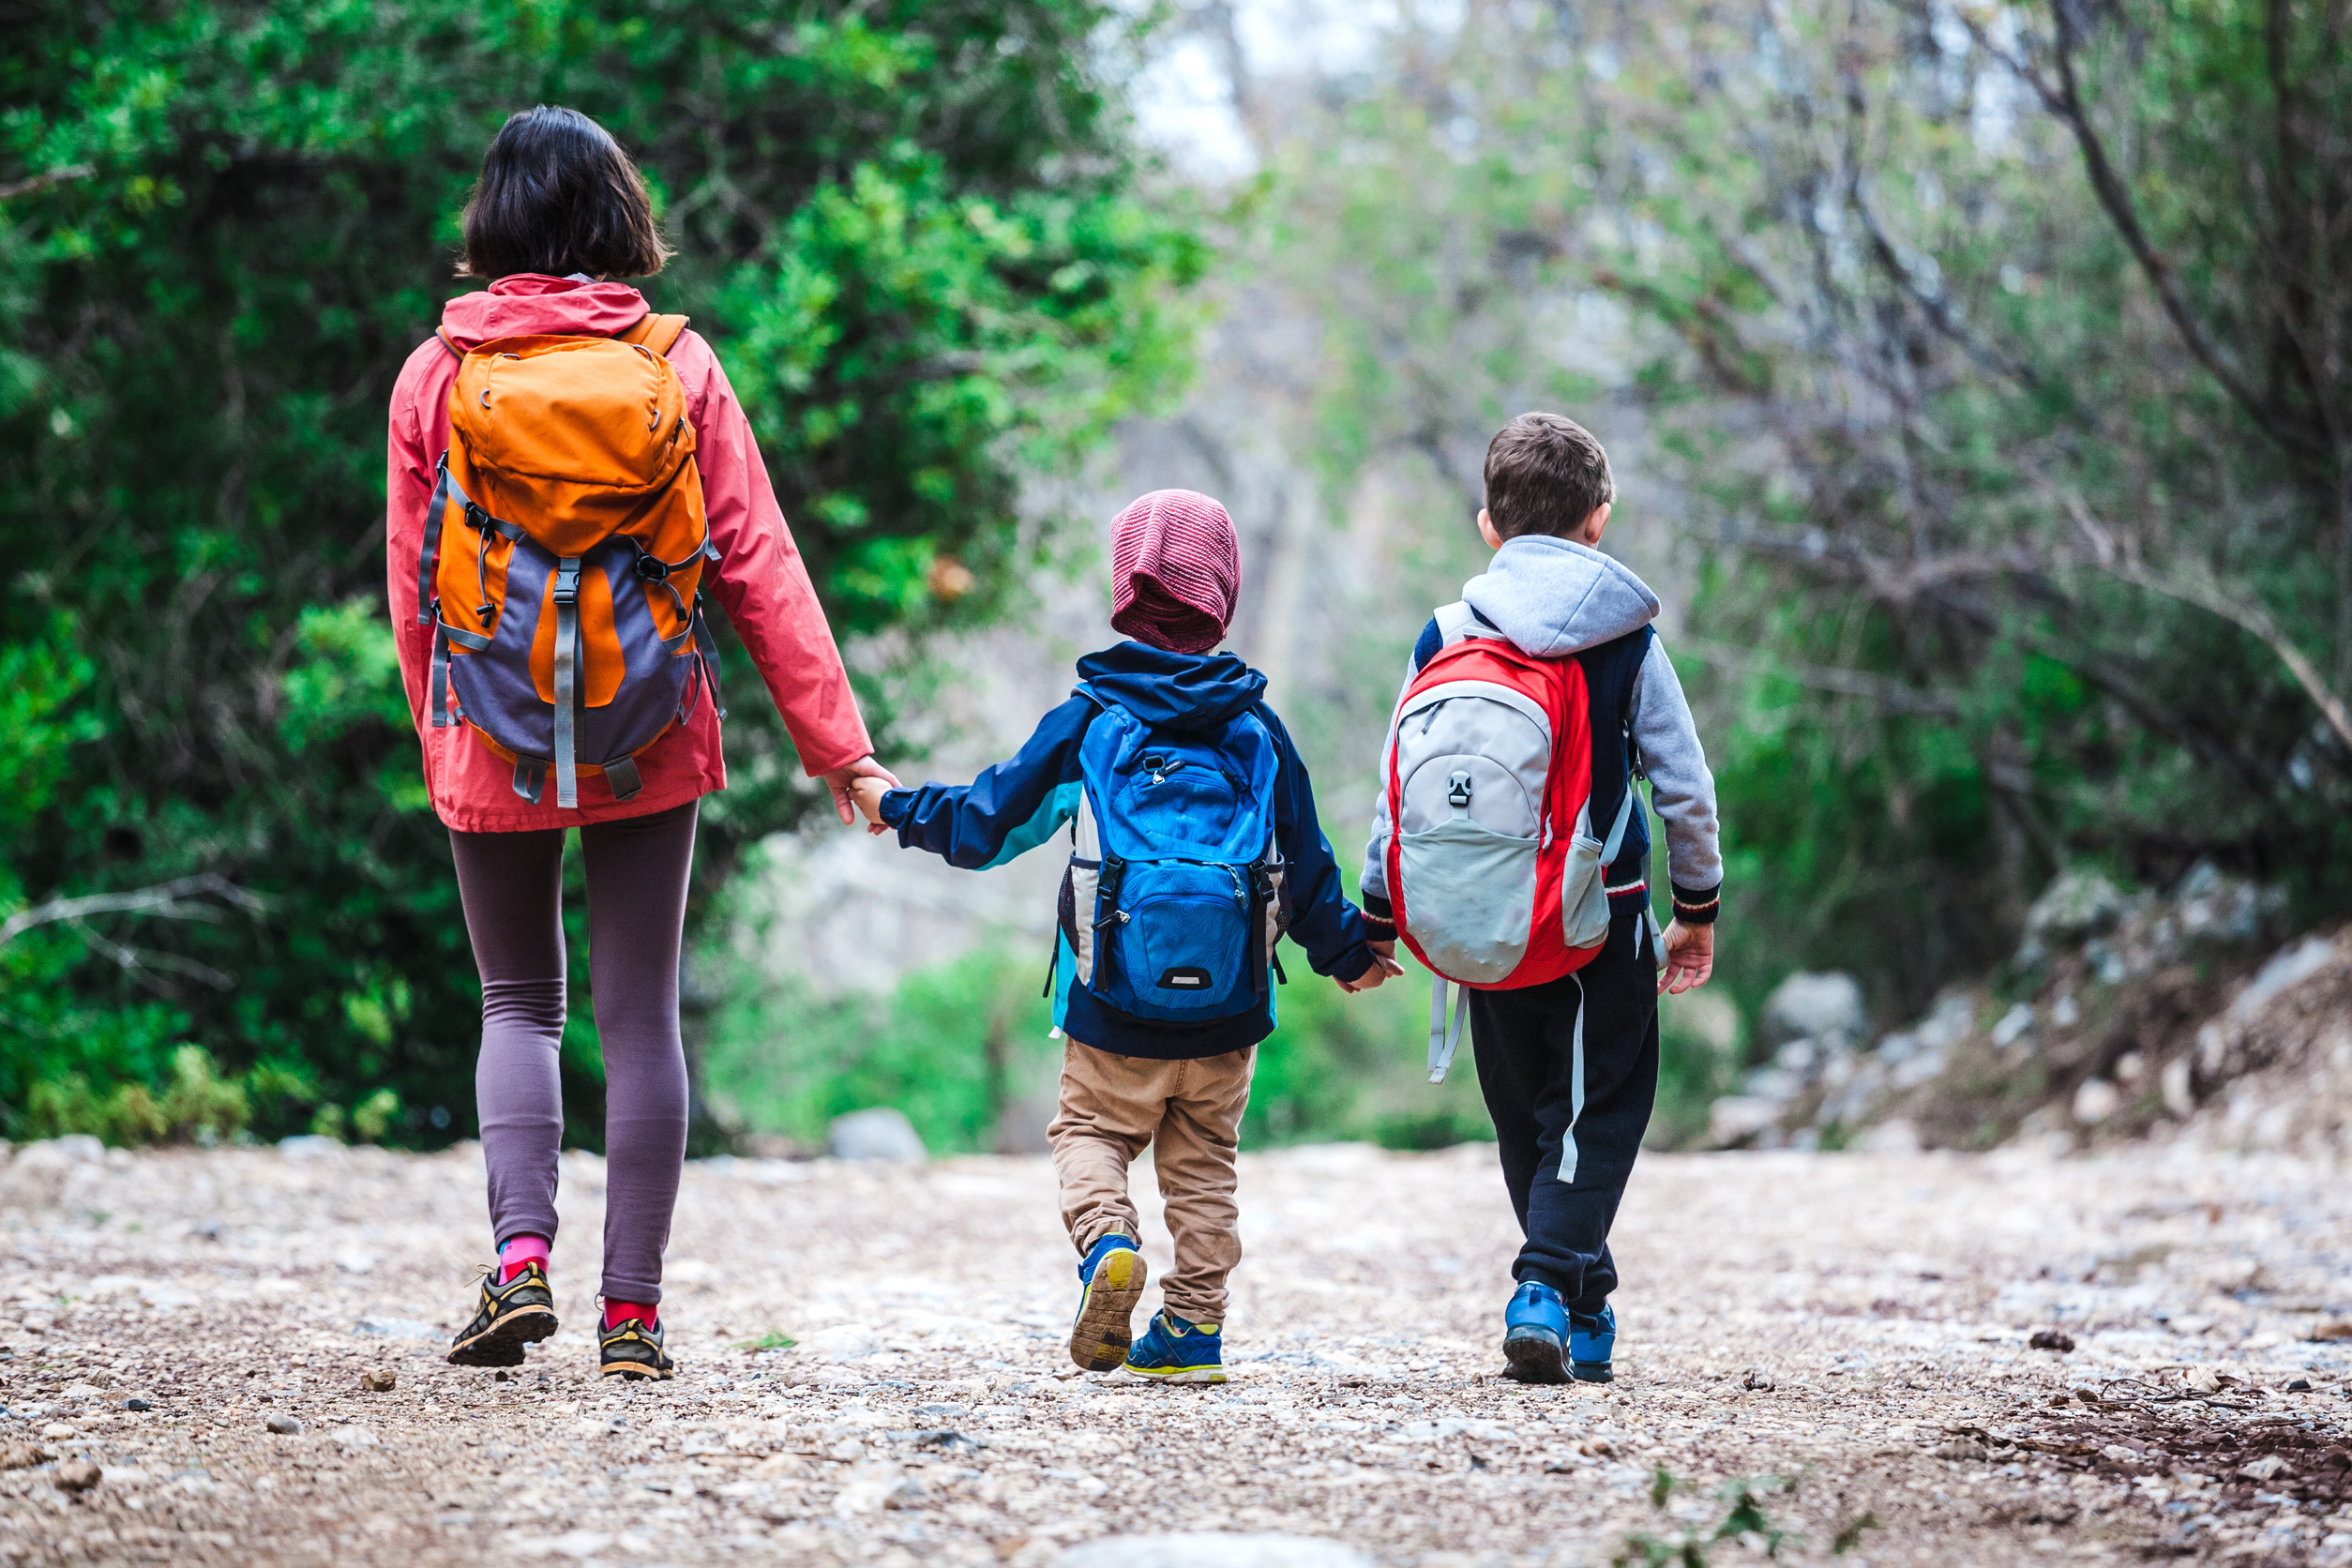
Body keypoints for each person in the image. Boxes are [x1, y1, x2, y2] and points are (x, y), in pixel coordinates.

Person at [384, 106, 894, 1380]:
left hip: (488, 723)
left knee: (518, 1000)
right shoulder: (679, 365)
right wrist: (841, 747)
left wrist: (444, 728)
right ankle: (631, 1316)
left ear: (492, 219)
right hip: (652, 724)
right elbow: (759, 564)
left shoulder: (437, 375)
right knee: (640, 1015)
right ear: (621, 217)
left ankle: (519, 1262)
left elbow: (413, 586)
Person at [850, 490, 1399, 1383]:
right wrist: (1348, 956)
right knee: (1204, 1165)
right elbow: (1306, 867)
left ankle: (1108, 1244)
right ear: (1224, 594)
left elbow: (990, 821)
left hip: (1109, 1009)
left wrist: (898, 807)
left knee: (1089, 1134)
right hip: (1229, 1015)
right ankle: (1193, 1329)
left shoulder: (1092, 720)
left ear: (1124, 589)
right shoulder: (1257, 728)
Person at [1360, 413, 1721, 1384]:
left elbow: (1397, 787)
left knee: (1527, 1116)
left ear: (1490, 525)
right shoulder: (1628, 641)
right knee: (1601, 1107)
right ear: (1598, 520)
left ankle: (1579, 1302)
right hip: (1602, 914)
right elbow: (1684, 789)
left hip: (1482, 916)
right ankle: (1543, 1286)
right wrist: (1697, 910)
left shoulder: (1443, 634)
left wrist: (1379, 912)